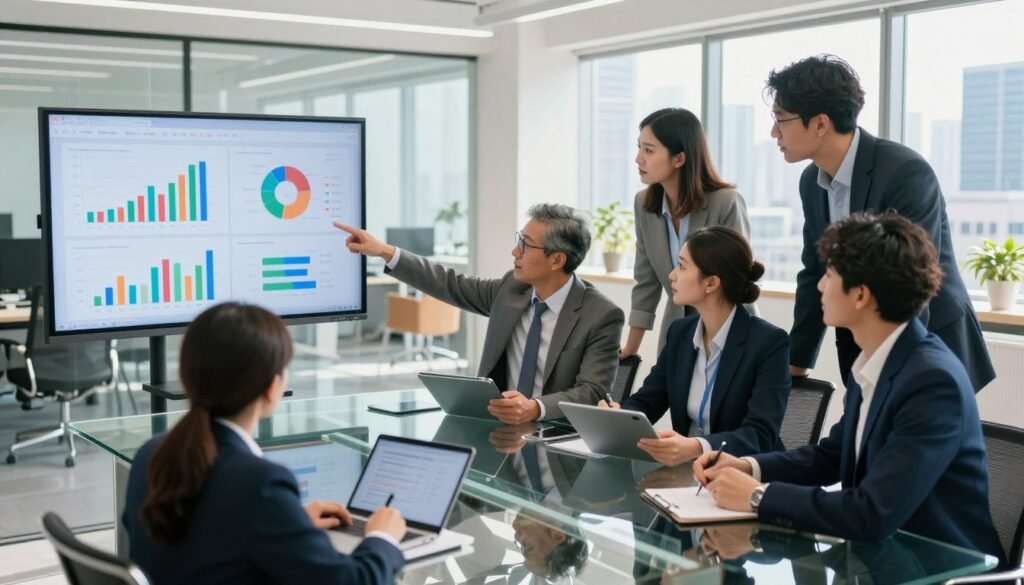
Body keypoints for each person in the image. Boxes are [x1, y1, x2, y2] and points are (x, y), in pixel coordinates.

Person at [694, 212, 1005, 564]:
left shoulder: (932, 381)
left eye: (829, 275)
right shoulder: (876, 362)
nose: (820, 286)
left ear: (860, 295)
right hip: (879, 561)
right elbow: (831, 456)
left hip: (938, 569)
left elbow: (872, 512)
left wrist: (757, 496)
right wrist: (748, 467)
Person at [123, 303, 407, 584]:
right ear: (273, 387)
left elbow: (204, 539)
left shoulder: (150, 455)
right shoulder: (261, 485)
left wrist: (292, 525)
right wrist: (382, 538)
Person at [768, 54, 994, 391]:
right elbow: (815, 269)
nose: (774, 132)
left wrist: (893, 375)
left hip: (930, 345)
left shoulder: (903, 172)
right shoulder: (811, 182)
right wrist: (797, 359)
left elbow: (911, 282)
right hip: (863, 342)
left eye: (781, 120)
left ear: (819, 123)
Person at [336, 203, 624, 424]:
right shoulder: (512, 289)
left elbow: (592, 391)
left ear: (556, 260)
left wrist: (535, 408)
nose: (515, 251)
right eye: (518, 239)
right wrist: (385, 252)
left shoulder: (601, 315)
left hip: (554, 436)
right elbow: (449, 283)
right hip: (495, 427)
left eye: (525, 244)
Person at [603, 226, 789, 466]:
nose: (671, 275)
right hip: (686, 472)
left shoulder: (768, 343)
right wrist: (619, 415)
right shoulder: (681, 332)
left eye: (681, 266)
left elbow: (760, 435)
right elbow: (649, 400)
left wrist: (696, 446)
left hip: (740, 473)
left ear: (711, 283)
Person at [621, 108, 751, 357]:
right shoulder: (644, 204)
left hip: (729, 332)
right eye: (639, 147)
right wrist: (631, 348)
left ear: (679, 158)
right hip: (677, 332)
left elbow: (738, 280)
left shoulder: (726, 202)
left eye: (648, 150)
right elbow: (645, 281)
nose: (638, 158)